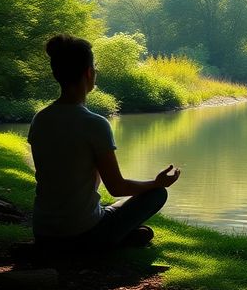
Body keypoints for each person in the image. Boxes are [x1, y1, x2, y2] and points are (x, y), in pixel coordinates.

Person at [28, 34, 180, 249]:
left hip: (43, 231)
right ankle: (110, 241)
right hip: (82, 233)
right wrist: (157, 183)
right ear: (89, 73)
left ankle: (121, 237)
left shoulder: (40, 119)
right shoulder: (94, 124)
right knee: (156, 195)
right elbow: (117, 187)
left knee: (115, 210)